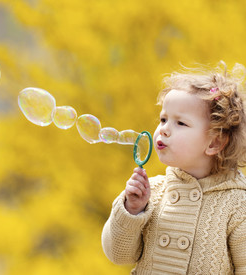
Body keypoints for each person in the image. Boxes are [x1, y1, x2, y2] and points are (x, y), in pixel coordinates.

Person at [101, 61, 246, 274]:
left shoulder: (237, 205)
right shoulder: (153, 192)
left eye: (181, 123)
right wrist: (132, 211)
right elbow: (118, 255)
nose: (164, 130)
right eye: (163, 119)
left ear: (214, 143)